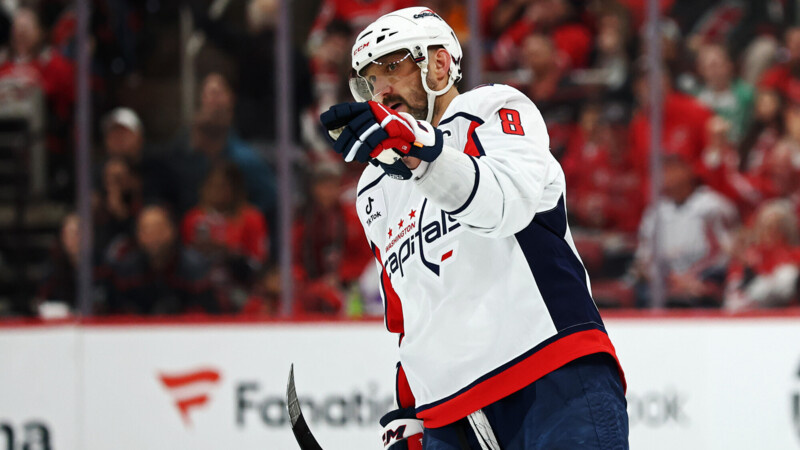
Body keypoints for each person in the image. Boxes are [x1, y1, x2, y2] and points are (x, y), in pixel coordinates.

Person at [319, 7, 628, 449]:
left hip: (549, 371)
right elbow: (408, 312)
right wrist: (410, 413)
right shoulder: (374, 186)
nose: (381, 90)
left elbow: (505, 206)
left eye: (392, 68)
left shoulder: (493, 108)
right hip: (447, 413)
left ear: (439, 64)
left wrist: (419, 151)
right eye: (370, 80)